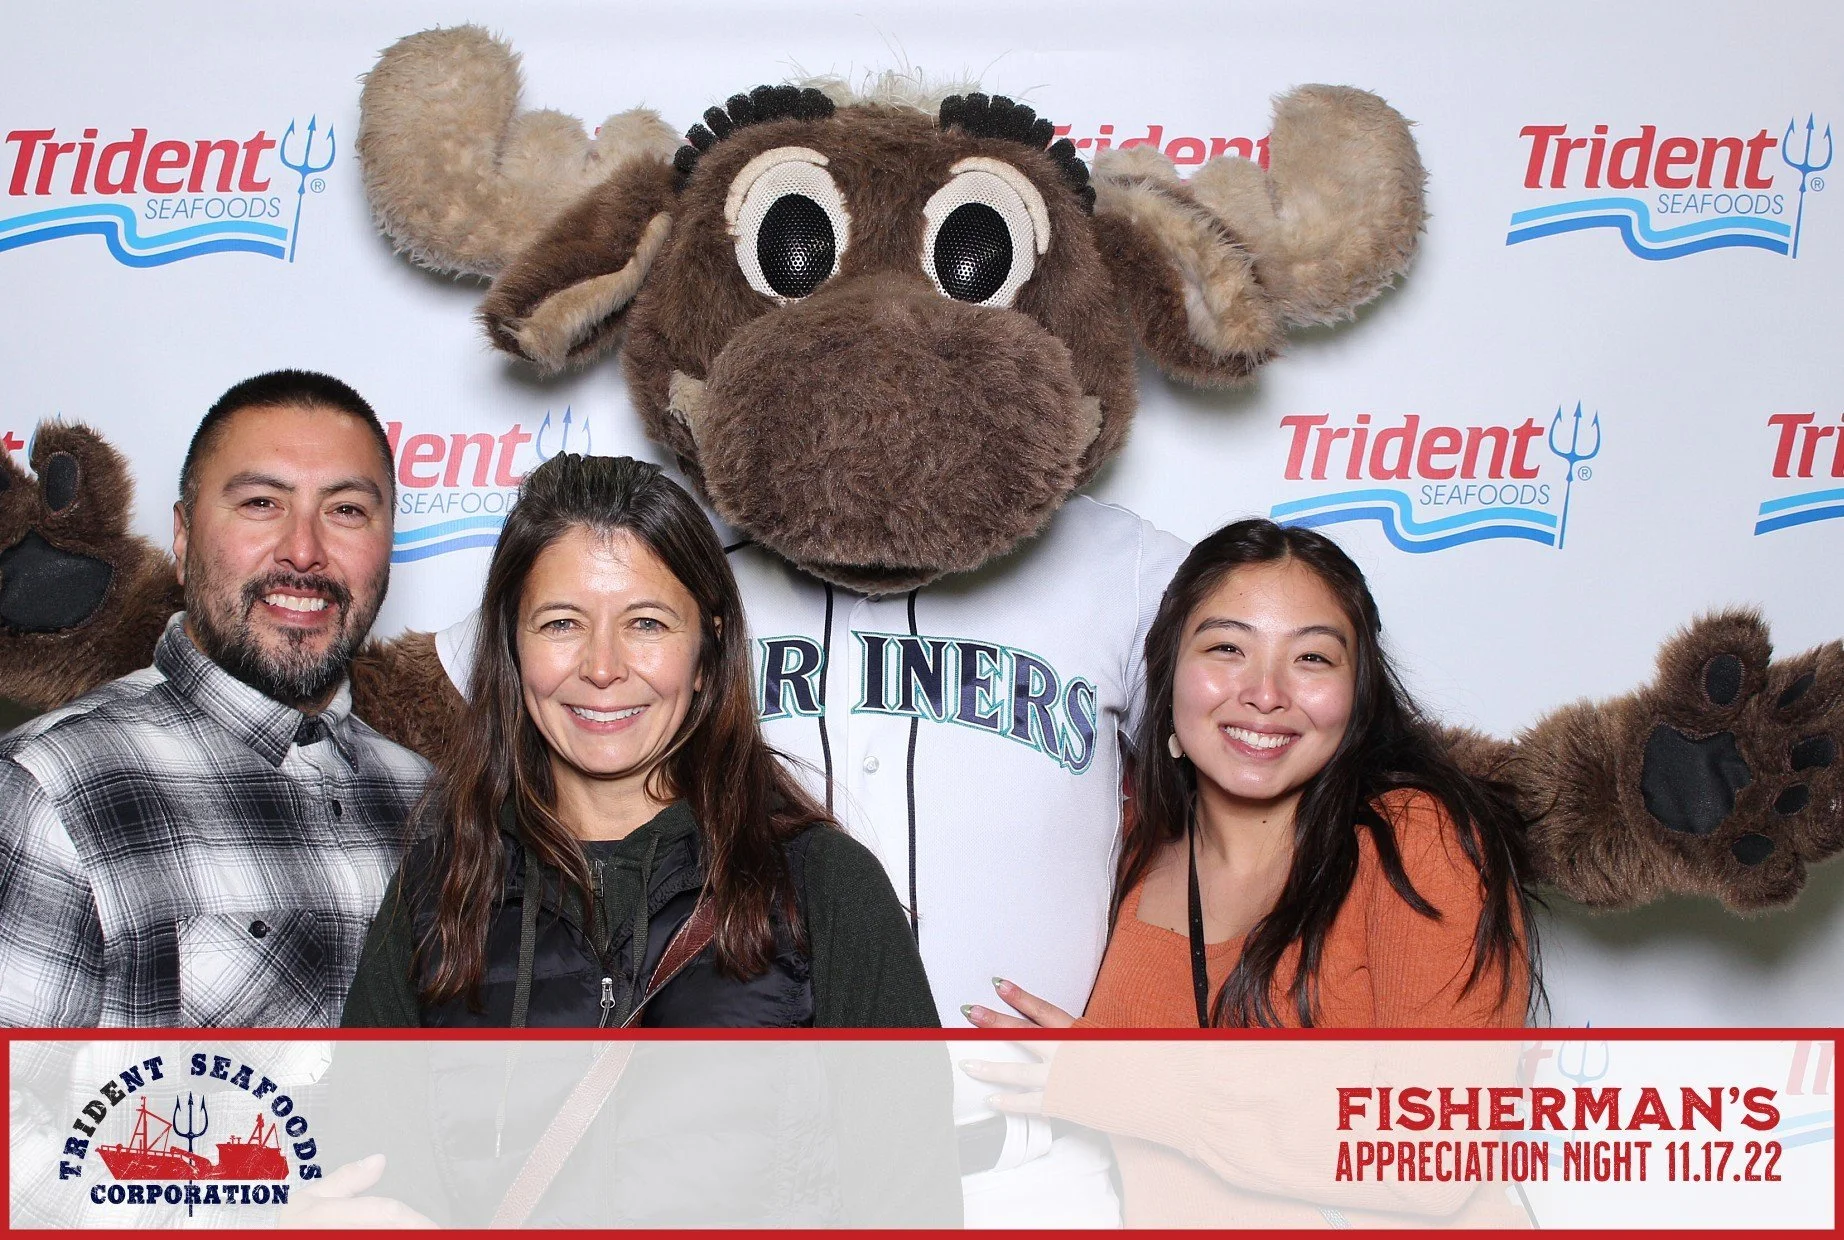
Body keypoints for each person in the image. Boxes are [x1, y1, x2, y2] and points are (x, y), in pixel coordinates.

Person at [332, 452, 954, 1225]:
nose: (602, 668)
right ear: (512, 642)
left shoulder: (824, 883)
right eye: (561, 623)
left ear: (707, 652)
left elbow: (913, 1202)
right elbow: (364, 1182)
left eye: (647, 625)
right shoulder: (443, 882)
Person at [961, 518, 1541, 1224]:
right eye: (1228, 648)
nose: (1265, 694)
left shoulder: (1417, 842)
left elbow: (1434, 1156)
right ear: (1168, 669)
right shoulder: (1136, 842)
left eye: (1313, 660)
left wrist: (1136, 1087)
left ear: (1357, 694)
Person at [0, 368, 428, 1028]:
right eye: (261, 503)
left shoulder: (430, 799)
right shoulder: (52, 787)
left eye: (346, 510)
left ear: (388, 542)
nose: (304, 551)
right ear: (181, 537)